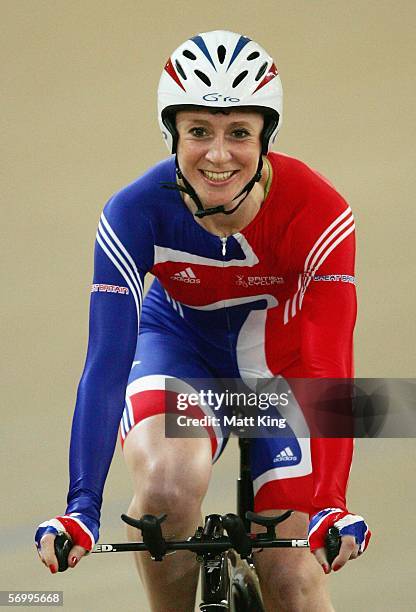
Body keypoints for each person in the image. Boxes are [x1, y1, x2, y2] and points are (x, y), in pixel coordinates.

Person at [35, 30, 371, 611]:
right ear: (172, 134)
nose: (218, 156)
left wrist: (329, 504)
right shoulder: (133, 211)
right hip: (179, 352)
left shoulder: (320, 213)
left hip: (281, 369)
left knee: (292, 577)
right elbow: (106, 363)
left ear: (267, 135)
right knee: (166, 487)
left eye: (239, 132)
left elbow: (328, 367)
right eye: (198, 132)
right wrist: (81, 506)